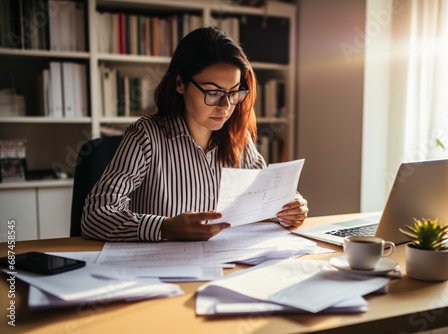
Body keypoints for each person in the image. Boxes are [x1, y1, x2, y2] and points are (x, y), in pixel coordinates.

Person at [81, 26, 309, 242]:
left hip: (224, 265)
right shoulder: (146, 136)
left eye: (234, 93)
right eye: (212, 92)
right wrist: (165, 227)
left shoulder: (239, 138)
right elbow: (95, 216)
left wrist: (288, 210)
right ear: (180, 83)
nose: (226, 106)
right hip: (159, 272)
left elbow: (264, 200)